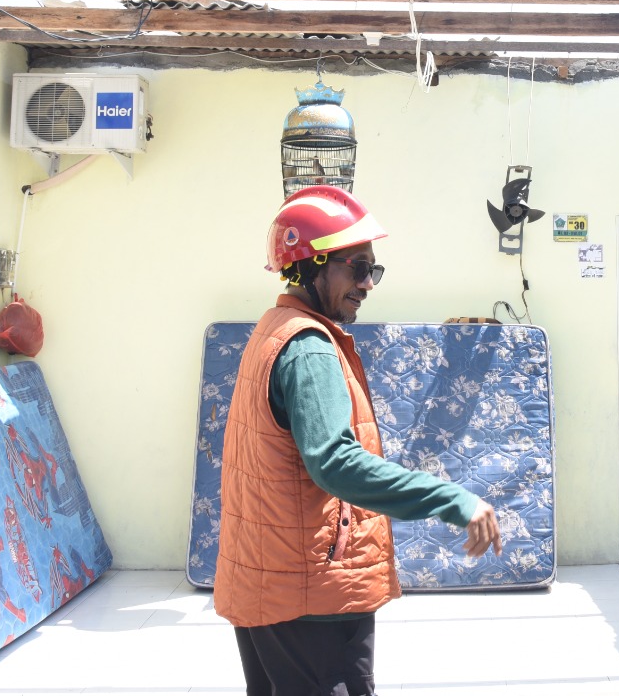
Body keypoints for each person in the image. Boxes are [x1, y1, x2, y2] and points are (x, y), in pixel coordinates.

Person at [215, 185, 502, 696]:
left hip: (271, 582)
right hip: (313, 594)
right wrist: (453, 500)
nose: (368, 283)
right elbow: (335, 463)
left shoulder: (274, 328)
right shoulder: (308, 348)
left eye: (374, 270)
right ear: (311, 265)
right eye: (358, 268)